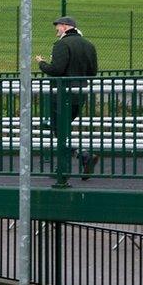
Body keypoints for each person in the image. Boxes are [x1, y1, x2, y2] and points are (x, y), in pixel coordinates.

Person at [37, 15, 100, 175]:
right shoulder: (89, 45)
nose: (56, 30)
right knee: (61, 130)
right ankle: (69, 164)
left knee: (59, 131)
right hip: (80, 95)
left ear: (65, 27)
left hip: (62, 96)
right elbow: (92, 73)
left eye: (57, 27)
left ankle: (81, 157)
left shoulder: (61, 44)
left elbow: (56, 70)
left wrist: (41, 64)